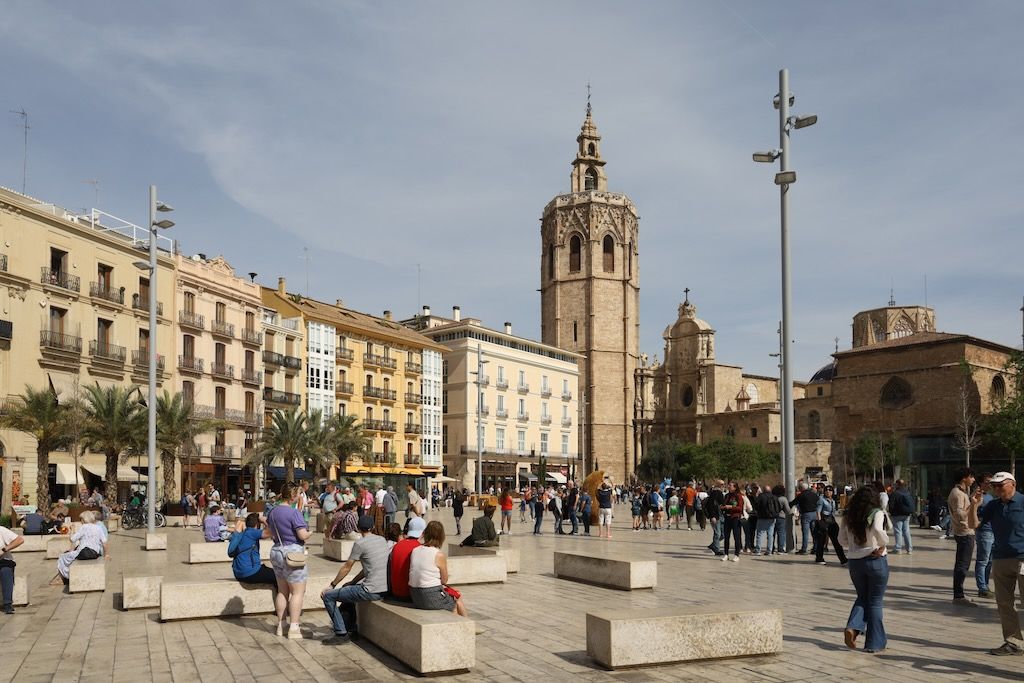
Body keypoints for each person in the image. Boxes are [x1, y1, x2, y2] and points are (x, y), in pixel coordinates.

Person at [971, 471, 1024, 656]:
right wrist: (974, 505)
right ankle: (1013, 643)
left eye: (1000, 485)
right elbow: (973, 524)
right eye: (994, 486)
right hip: (1001, 559)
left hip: (1022, 558)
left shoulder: (1023, 502)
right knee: (1004, 603)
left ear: (1013, 484)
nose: (996, 489)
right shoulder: (993, 505)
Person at [320, 515, 390, 644]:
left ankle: (341, 633)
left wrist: (332, 585)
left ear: (358, 528)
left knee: (328, 596)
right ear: (373, 527)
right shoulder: (382, 540)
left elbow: (347, 567)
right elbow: (369, 568)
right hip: (385, 589)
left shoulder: (359, 543)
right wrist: (352, 582)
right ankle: (351, 626)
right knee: (348, 590)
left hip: (370, 590)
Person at [838, 485, 890, 653]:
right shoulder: (877, 513)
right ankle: (874, 643)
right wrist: (883, 543)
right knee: (875, 601)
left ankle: (853, 628)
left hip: (855, 562)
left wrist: (854, 547)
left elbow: (841, 540)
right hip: (875, 559)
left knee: (862, 597)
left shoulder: (848, 515)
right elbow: (877, 529)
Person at [266, 483, 311, 640]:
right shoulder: (294, 513)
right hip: (292, 554)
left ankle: (281, 625)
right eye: (298, 493)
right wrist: (309, 532)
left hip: (276, 550)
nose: (299, 496)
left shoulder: (272, 512)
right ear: (292, 495)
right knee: (297, 592)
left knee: (282, 591)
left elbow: (270, 532)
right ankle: (294, 627)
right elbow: (302, 535)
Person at [409, 521, 467, 617]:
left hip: (415, 595)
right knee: (455, 602)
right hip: (430, 595)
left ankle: (468, 624)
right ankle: (467, 626)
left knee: (453, 595)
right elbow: (444, 580)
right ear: (441, 537)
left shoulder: (415, 550)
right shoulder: (438, 554)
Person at [948, 467, 977, 606]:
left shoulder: (961, 493)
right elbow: (960, 514)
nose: (973, 479)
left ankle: (959, 594)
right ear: (964, 478)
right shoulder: (958, 494)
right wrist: (973, 504)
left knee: (962, 564)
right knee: (962, 565)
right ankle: (958, 596)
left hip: (966, 532)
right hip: (964, 532)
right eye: (971, 476)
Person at [55, 511, 108, 584]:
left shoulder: (83, 527)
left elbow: (72, 539)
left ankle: (65, 578)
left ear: (84, 520)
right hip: (95, 553)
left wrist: (72, 530)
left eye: (81, 520)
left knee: (62, 557)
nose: (81, 521)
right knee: (70, 555)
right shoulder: (98, 527)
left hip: (82, 553)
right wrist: (106, 554)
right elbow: (104, 543)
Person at [228, 513, 276, 586]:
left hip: (238, 574)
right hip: (251, 572)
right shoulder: (252, 532)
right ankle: (281, 597)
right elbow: (271, 532)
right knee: (281, 577)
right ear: (257, 525)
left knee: (270, 572)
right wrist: (264, 520)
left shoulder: (243, 534)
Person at [388, 516, 426, 601]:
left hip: (395, 592)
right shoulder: (419, 548)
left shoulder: (397, 546)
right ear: (423, 532)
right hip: (409, 594)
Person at [814, 486, 847, 566]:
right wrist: (819, 522)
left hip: (831, 521)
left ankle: (843, 559)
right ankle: (819, 558)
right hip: (824, 520)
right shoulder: (821, 500)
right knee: (821, 541)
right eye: (826, 490)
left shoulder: (833, 500)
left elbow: (833, 511)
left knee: (837, 541)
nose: (828, 492)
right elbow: (818, 511)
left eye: (830, 490)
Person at [974, 473, 994, 598]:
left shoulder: (990, 496)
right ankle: (982, 587)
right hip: (984, 531)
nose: (989, 484)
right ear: (980, 483)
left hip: (993, 531)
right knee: (983, 560)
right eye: (987, 482)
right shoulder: (978, 495)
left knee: (990, 561)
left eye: (991, 482)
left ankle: (985, 585)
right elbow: (971, 510)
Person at [0, 523, 25, 614]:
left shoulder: (1, 530)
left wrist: (4, 550)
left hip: (3, 561)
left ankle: (7, 604)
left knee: (5, 571)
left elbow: (19, 540)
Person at [888, 479, 915, 555]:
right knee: (906, 531)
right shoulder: (907, 492)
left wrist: (891, 513)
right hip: (907, 515)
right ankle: (909, 549)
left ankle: (898, 549)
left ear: (897, 484)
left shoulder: (895, 493)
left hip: (897, 515)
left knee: (898, 531)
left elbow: (891, 504)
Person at [793, 481, 820, 554]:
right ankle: (815, 548)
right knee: (814, 532)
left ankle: (804, 549)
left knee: (805, 533)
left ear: (801, 488)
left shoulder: (801, 495)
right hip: (814, 514)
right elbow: (818, 502)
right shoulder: (814, 494)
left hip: (806, 515)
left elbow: (793, 503)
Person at [721, 482, 745, 562]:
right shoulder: (727, 495)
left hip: (735, 518)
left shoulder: (738, 496)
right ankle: (726, 554)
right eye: (729, 485)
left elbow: (740, 508)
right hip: (727, 518)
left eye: (730, 486)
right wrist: (723, 507)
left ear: (735, 487)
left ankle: (736, 555)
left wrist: (731, 507)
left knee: (736, 537)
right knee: (726, 537)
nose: (729, 487)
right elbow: (724, 505)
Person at [753, 485, 781, 555]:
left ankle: (758, 550)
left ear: (763, 490)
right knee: (770, 535)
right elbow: (778, 507)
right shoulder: (774, 497)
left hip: (762, 517)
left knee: (760, 534)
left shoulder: (761, 496)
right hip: (772, 518)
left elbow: (756, 506)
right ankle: (769, 550)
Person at [705, 481, 725, 556]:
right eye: (722, 484)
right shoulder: (715, 493)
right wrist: (712, 516)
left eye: (724, 484)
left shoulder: (720, 492)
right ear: (718, 485)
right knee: (718, 533)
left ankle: (713, 545)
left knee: (723, 534)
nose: (723, 486)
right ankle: (717, 550)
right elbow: (710, 505)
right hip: (716, 516)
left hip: (721, 516)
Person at [772, 485, 790, 554]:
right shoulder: (783, 499)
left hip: (772, 517)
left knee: (772, 533)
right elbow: (787, 510)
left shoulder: (772, 498)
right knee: (781, 533)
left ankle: (771, 548)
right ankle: (780, 549)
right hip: (781, 517)